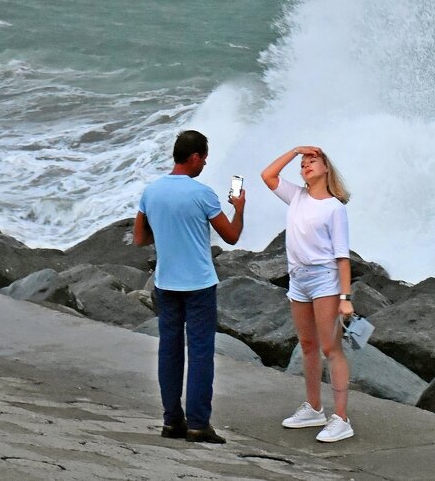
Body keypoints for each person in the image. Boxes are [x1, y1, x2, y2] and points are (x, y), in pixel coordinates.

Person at [133, 130, 245, 445]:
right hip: (198, 285)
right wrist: (240, 206)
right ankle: (198, 423)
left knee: (169, 350)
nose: (205, 163)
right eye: (204, 158)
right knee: (200, 353)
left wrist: (168, 233)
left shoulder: (151, 192)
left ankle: (171, 421)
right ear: (194, 156)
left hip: (166, 283)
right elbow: (232, 236)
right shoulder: (203, 194)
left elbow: (140, 238)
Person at [261, 145, 355, 443]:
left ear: (326, 168)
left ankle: (342, 418)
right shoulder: (296, 196)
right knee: (308, 344)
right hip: (298, 278)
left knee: (331, 349)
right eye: (303, 163)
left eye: (312, 160)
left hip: (324, 279)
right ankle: (314, 408)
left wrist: (345, 298)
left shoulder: (334, 207)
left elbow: (342, 256)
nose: (305, 165)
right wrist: (293, 151)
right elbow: (267, 175)